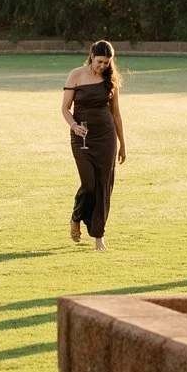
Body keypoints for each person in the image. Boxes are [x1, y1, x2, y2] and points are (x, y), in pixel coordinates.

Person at [61, 40, 128, 249]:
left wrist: (122, 143)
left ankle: (99, 236)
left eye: (107, 63)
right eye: (100, 61)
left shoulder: (111, 80)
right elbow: (64, 108)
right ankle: (77, 217)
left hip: (106, 136)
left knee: (104, 184)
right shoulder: (76, 75)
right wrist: (73, 126)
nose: (102, 66)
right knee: (89, 184)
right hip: (82, 136)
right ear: (91, 56)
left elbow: (116, 114)